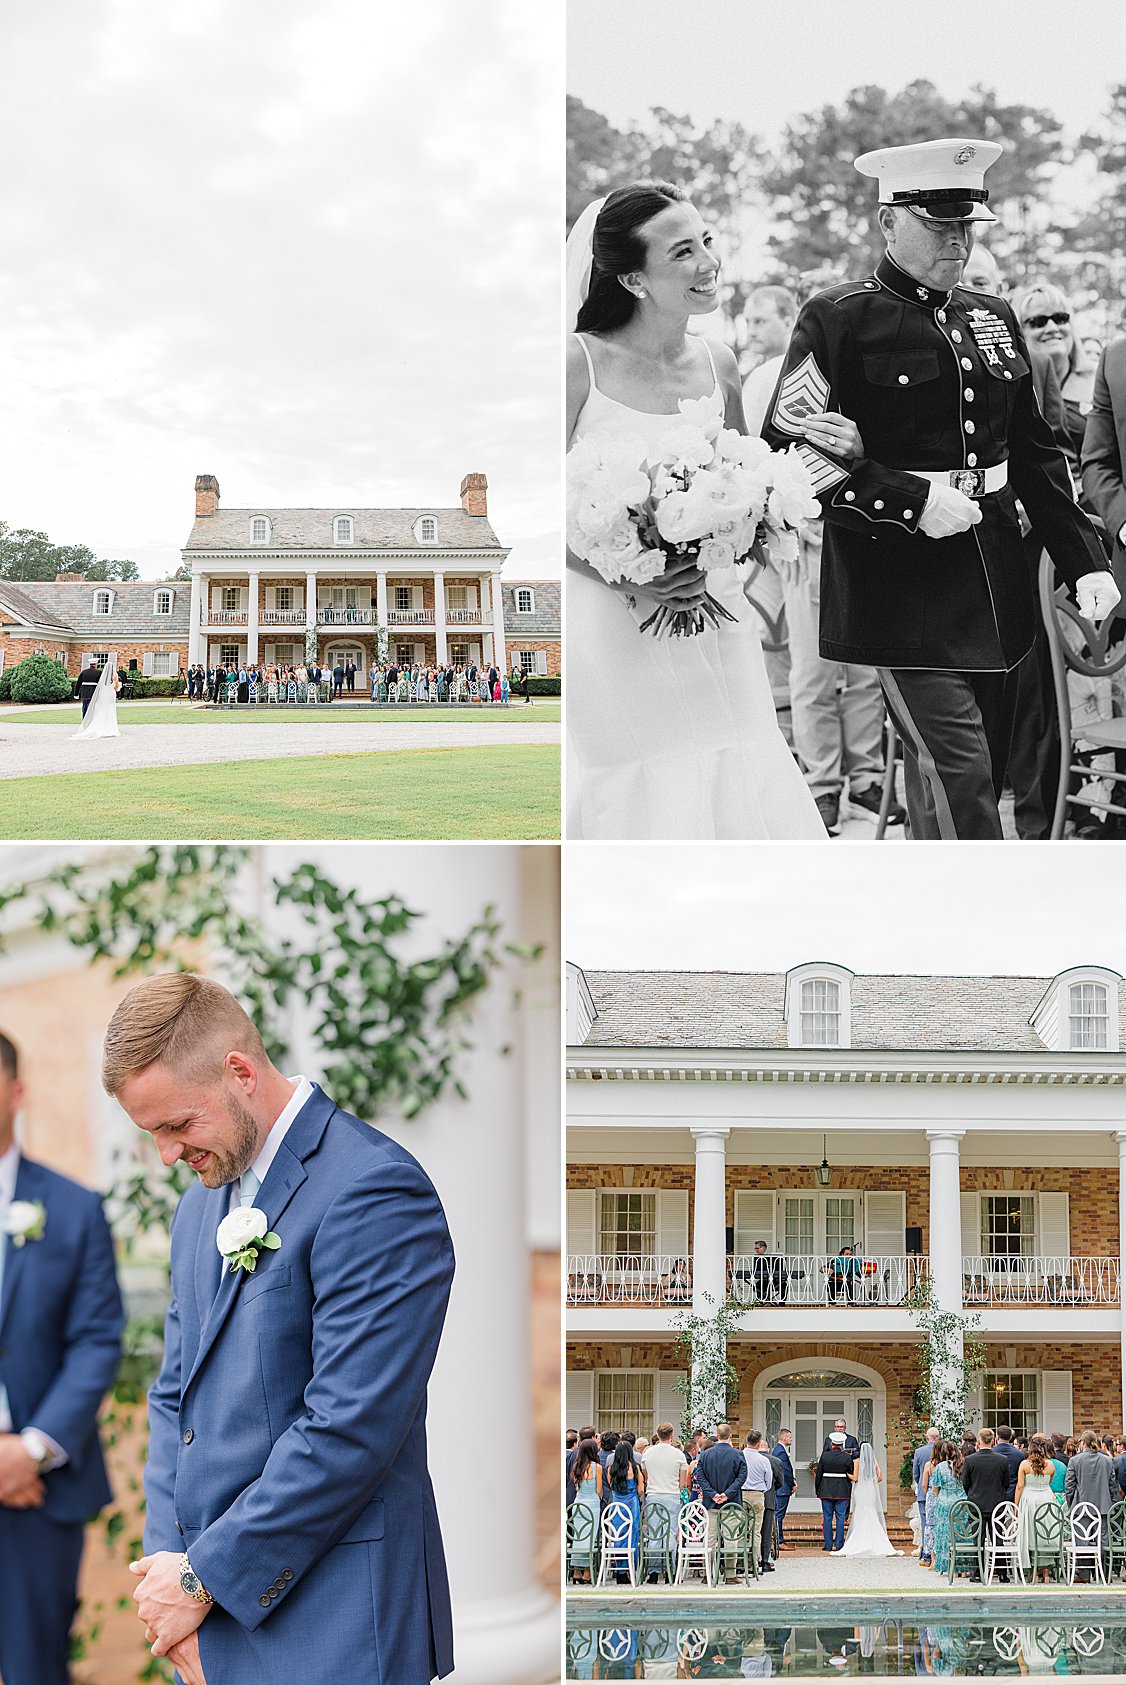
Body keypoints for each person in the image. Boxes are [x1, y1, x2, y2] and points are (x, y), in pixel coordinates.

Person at [763, 137, 1119, 840]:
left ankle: (931, 895)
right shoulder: (838, 317)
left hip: (994, 582)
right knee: (962, 774)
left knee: (964, 774)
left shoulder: (993, 315)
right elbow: (790, 454)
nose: (957, 240)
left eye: (966, 224)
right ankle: (979, 902)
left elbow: (1033, 453)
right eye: (938, 224)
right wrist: (909, 499)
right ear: (888, 221)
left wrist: (1085, 561)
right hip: (896, 587)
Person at [109, 973, 455, 1685]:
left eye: (177, 1125)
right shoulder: (197, 1209)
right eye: (153, 1134)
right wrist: (170, 1580)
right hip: (206, 1616)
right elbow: (175, 1399)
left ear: (239, 1072)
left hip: (337, 1623)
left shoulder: (375, 1188)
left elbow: (348, 1428)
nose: (168, 1154)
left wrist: (202, 1579)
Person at [566, 182, 826, 841]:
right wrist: (632, 575)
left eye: (706, 241)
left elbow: (746, 477)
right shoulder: (577, 365)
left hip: (715, 607)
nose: (709, 262)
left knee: (739, 754)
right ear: (632, 279)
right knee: (637, 769)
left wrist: (740, 535)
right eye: (682, 251)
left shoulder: (721, 363)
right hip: (611, 618)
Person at [743, 284, 902, 834]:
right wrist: (790, 523)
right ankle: (822, 784)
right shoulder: (765, 380)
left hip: (864, 538)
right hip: (808, 542)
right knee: (812, 672)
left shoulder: (863, 369)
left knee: (864, 670)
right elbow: (758, 461)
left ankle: (868, 776)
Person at [0, 1030, 124, 1685]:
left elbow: (97, 1338)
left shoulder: (75, 1209)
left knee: (33, 1669)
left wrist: (30, 1450)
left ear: (16, 1091)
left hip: (38, 1491)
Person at [1064, 1428, 1117, 1581]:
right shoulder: (1107, 1460)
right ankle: (1104, 1574)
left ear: (1082, 1443)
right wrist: (1110, 1501)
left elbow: (1069, 1486)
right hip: (1103, 1506)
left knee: (1082, 1540)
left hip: (1082, 1506)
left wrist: (1072, 1504)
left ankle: (1084, 1574)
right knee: (1103, 1540)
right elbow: (1112, 1485)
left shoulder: (1075, 1460)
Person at [960, 1428, 1013, 1577]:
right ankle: (1002, 1573)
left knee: (978, 1540)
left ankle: (978, 1572)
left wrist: (973, 1495)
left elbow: (966, 1483)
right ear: (993, 1441)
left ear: (979, 1441)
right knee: (998, 1538)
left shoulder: (970, 1460)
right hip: (996, 1503)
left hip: (976, 1503)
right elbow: (1006, 1483)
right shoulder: (1002, 1460)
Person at [641, 1423, 687, 1581]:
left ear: (658, 1434)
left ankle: (653, 1572)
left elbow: (646, 1476)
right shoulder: (678, 1454)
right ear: (671, 1435)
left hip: (653, 1494)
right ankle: (670, 1571)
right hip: (672, 1494)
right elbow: (682, 1482)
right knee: (671, 1533)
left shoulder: (648, 1453)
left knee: (654, 1533)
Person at [1015, 1433, 1063, 1582]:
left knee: (1030, 1534)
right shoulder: (1050, 1465)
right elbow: (1049, 1481)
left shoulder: (1024, 1465)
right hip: (1047, 1498)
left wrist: (1016, 1505)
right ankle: (1046, 1572)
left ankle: (1033, 1572)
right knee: (1046, 1534)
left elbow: (1020, 1486)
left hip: (1029, 1500)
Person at [839, 1442, 900, 1556]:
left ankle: (860, 1537)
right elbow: (880, 1477)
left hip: (861, 1489)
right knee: (870, 1510)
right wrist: (872, 1482)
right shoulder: (874, 1462)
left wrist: (846, 1474)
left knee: (860, 1510)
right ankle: (875, 1538)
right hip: (870, 1488)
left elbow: (855, 1478)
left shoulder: (857, 1461)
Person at [696, 1423, 747, 1555]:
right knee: (731, 1539)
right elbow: (742, 1477)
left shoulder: (705, 1454)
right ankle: (729, 1568)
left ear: (717, 1436)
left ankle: (710, 1567)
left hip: (710, 1502)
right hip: (732, 1503)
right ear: (731, 1436)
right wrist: (727, 1494)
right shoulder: (738, 1454)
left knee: (710, 1539)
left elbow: (700, 1476)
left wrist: (712, 1494)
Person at [568, 1437, 602, 1584]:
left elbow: (577, 1487)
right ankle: (587, 1572)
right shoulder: (597, 1467)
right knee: (590, 1537)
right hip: (592, 1503)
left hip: (579, 1503)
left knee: (578, 1536)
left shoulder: (577, 1466)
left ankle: (576, 1570)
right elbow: (599, 1490)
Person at [927, 1440, 963, 1575]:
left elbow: (934, 1487)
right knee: (961, 1534)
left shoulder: (940, 1467)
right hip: (961, 1502)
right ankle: (962, 1568)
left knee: (945, 1535)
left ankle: (949, 1566)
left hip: (945, 1503)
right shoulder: (963, 1465)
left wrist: (941, 1497)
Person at [814, 1432, 855, 1552]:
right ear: (842, 1444)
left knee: (827, 1518)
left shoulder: (824, 1456)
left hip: (826, 1490)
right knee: (840, 1518)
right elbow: (851, 1474)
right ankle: (839, 1545)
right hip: (842, 1491)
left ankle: (828, 1545)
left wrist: (818, 1490)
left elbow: (819, 1474)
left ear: (831, 1444)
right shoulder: (847, 1457)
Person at [741, 1429, 775, 1568]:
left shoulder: (739, 1456)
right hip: (757, 1495)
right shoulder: (763, 1460)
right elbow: (769, 1481)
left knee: (741, 1530)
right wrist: (761, 1490)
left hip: (741, 1495)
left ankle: (740, 1562)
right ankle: (753, 1563)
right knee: (755, 1531)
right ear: (759, 1443)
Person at [71, 657, 121, 741]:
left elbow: (78, 683)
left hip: (85, 693)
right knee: (93, 709)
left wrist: (76, 694)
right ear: (95, 664)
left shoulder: (84, 672)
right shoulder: (99, 672)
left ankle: (85, 723)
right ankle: (91, 723)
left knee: (85, 708)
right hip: (94, 693)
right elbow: (102, 683)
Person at [912, 1426, 940, 1563]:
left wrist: (924, 1488)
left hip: (925, 1493)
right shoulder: (943, 1451)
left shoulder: (919, 1451)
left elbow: (916, 1474)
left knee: (926, 1524)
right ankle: (938, 1553)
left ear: (927, 1437)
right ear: (938, 1438)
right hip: (941, 1493)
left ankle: (927, 1554)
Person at [771, 1428, 797, 1551]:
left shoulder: (779, 1450)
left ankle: (778, 1540)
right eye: (790, 1437)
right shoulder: (780, 1451)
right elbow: (785, 1471)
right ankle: (779, 1541)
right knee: (778, 1516)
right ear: (784, 1438)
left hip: (781, 1488)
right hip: (782, 1489)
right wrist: (792, 1483)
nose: (791, 1439)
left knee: (778, 1515)